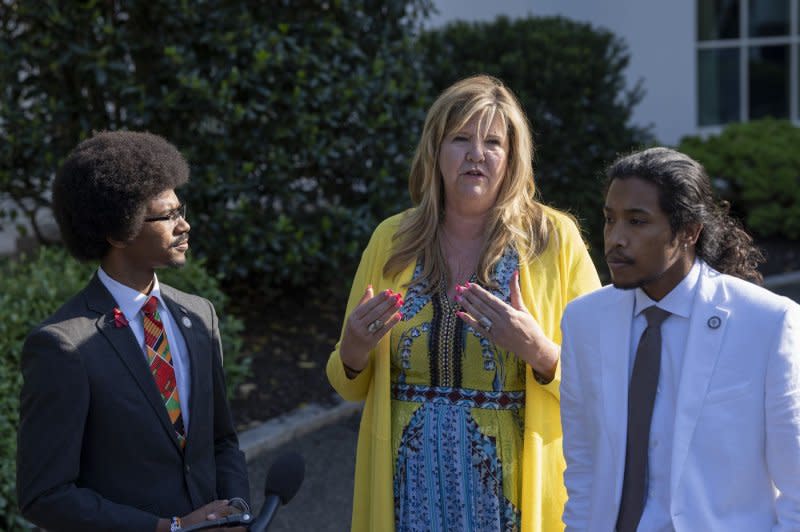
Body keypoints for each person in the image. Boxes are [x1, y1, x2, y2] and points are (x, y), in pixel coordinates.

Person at [326, 75, 600, 532]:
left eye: (493, 141)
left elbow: (603, 380)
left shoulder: (553, 241)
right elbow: (348, 383)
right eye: (460, 139)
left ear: (512, 157)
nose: (476, 153)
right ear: (435, 150)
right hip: (406, 491)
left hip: (513, 494)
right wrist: (353, 350)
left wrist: (541, 353)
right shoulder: (391, 241)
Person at [16, 131, 250, 532]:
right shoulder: (62, 345)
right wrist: (169, 527)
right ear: (117, 231)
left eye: (182, 210)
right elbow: (45, 495)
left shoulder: (199, 315)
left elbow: (221, 442)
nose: (185, 225)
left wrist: (235, 510)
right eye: (167, 216)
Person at [560, 147, 800, 531]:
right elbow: (582, 469)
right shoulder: (583, 321)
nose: (616, 239)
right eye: (609, 220)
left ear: (689, 231)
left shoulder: (767, 322)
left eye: (637, 222)